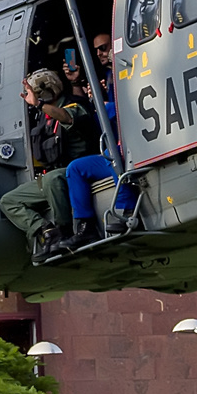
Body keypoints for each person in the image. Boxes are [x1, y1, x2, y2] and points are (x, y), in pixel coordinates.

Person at [0, 69, 96, 261]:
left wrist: (40, 105)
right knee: (9, 201)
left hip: (76, 170)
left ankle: (64, 231)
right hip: (54, 175)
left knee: (52, 179)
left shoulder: (74, 104)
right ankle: (46, 230)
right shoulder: (43, 118)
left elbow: (67, 117)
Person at [60, 34, 139, 248]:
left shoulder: (133, 67)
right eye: (97, 50)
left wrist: (103, 104)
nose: (100, 54)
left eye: (104, 48)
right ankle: (85, 227)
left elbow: (126, 109)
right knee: (75, 169)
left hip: (135, 144)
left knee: (115, 155)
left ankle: (125, 209)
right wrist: (88, 94)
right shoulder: (107, 76)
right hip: (113, 148)